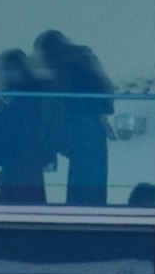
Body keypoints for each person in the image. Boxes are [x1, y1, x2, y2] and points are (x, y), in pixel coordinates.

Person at [34, 29, 119, 208]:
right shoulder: (81, 61)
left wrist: (49, 138)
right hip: (89, 128)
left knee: (83, 188)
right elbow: (103, 94)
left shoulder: (67, 66)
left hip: (83, 130)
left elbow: (59, 105)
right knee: (90, 184)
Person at [0, 49, 53, 203]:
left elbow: (29, 127)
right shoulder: (5, 95)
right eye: (6, 69)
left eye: (14, 68)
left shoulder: (34, 96)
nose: (10, 73)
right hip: (10, 166)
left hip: (28, 164)